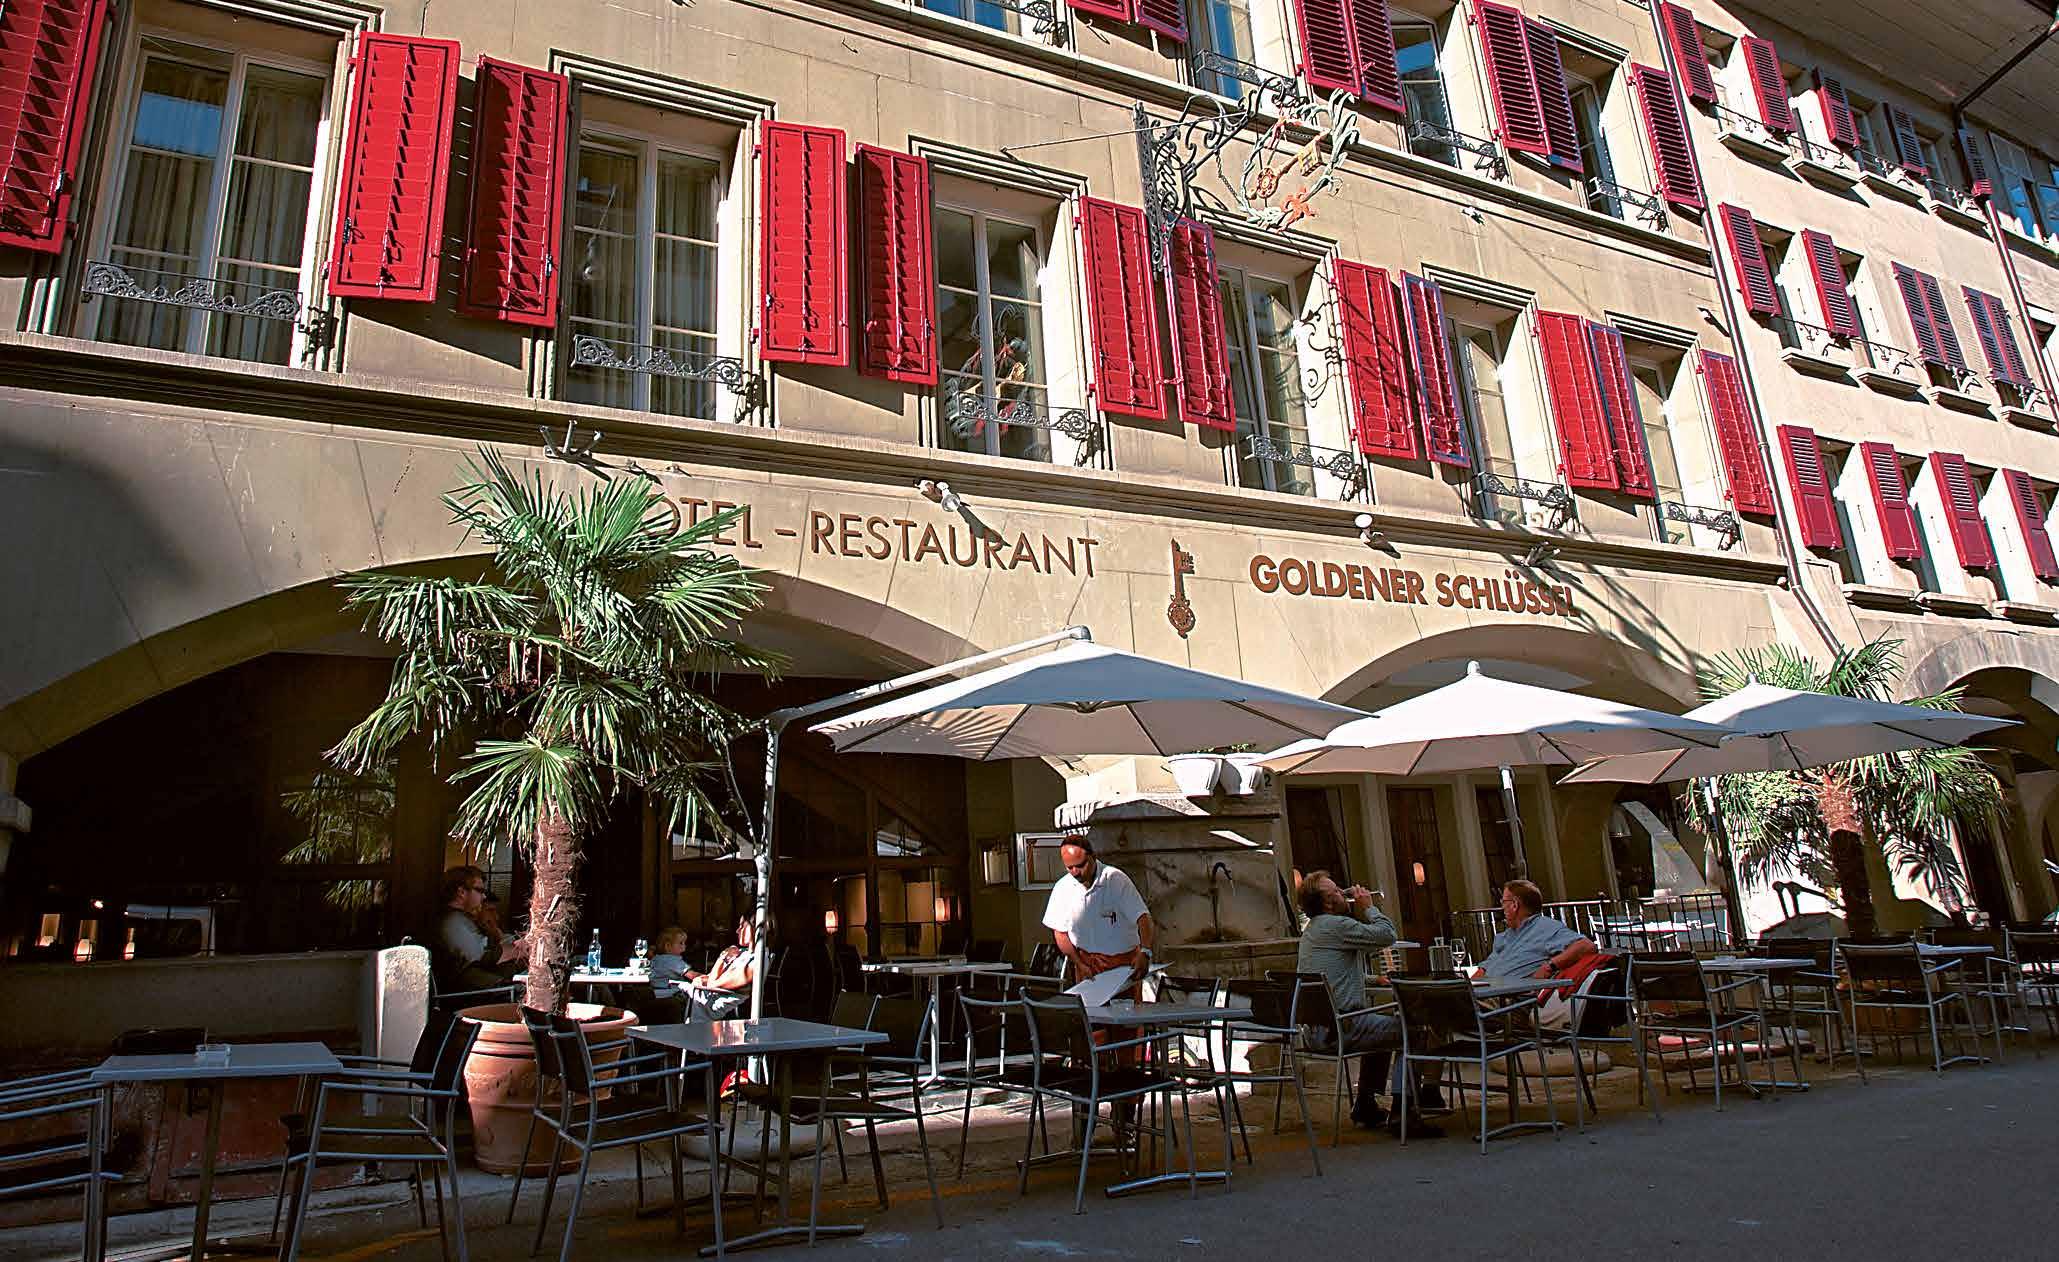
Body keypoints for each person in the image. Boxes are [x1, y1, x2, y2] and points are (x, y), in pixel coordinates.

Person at [1295, 871, 1441, 1133]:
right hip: (1340, 1028)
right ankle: (1404, 1111)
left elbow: (1332, 976)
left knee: (1381, 1029)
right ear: (1327, 903)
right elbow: (1387, 935)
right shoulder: (1338, 925)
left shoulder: (1312, 931)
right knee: (1414, 1031)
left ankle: (1365, 1105)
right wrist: (1369, 907)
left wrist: (1375, 980)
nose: (1344, 893)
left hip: (1315, 1030)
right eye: (1337, 891)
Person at [1041, 840, 1153, 991]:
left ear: (1093, 857)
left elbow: (1143, 917)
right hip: (1086, 966)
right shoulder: (1063, 888)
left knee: (1125, 1006)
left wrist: (1145, 952)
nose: (1075, 872)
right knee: (1088, 1006)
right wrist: (1079, 963)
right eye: (1069, 868)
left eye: (1080, 865)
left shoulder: (1115, 879)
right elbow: (1060, 932)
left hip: (1124, 966)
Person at [427, 865, 523, 994]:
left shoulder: (461, 919)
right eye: (480, 891)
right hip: (465, 995)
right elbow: (486, 956)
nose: (484, 896)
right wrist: (522, 950)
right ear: (461, 892)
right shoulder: (453, 921)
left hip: (478, 987)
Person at [1478, 879, 1597, 980]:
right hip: (1484, 993)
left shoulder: (1544, 928)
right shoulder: (1505, 936)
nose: (1502, 907)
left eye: (1503, 902)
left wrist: (1550, 966)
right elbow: (1484, 969)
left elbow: (1587, 946)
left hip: (1510, 997)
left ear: (1514, 905)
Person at [683, 917, 755, 1019]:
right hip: (706, 995)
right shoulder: (743, 953)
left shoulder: (755, 961)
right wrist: (702, 979)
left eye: (742, 926)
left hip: (711, 1003)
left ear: (756, 928)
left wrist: (723, 957)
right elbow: (713, 979)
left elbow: (712, 984)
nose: (737, 930)